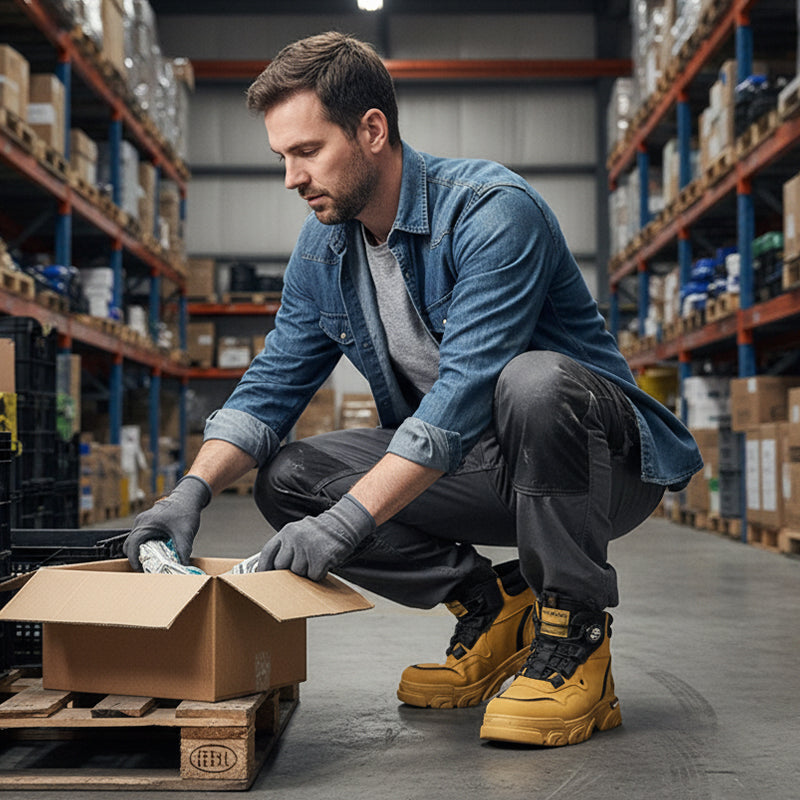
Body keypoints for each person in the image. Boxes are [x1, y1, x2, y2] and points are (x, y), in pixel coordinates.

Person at [124, 32, 702, 747]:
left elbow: (462, 396)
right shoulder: (323, 248)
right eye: (281, 158)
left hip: (594, 463)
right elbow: (271, 386)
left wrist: (345, 525)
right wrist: (190, 491)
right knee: (291, 478)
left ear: (372, 130)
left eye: (306, 152)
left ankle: (575, 632)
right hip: (479, 470)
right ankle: (492, 605)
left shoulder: (491, 210)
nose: (291, 178)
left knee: (533, 380)